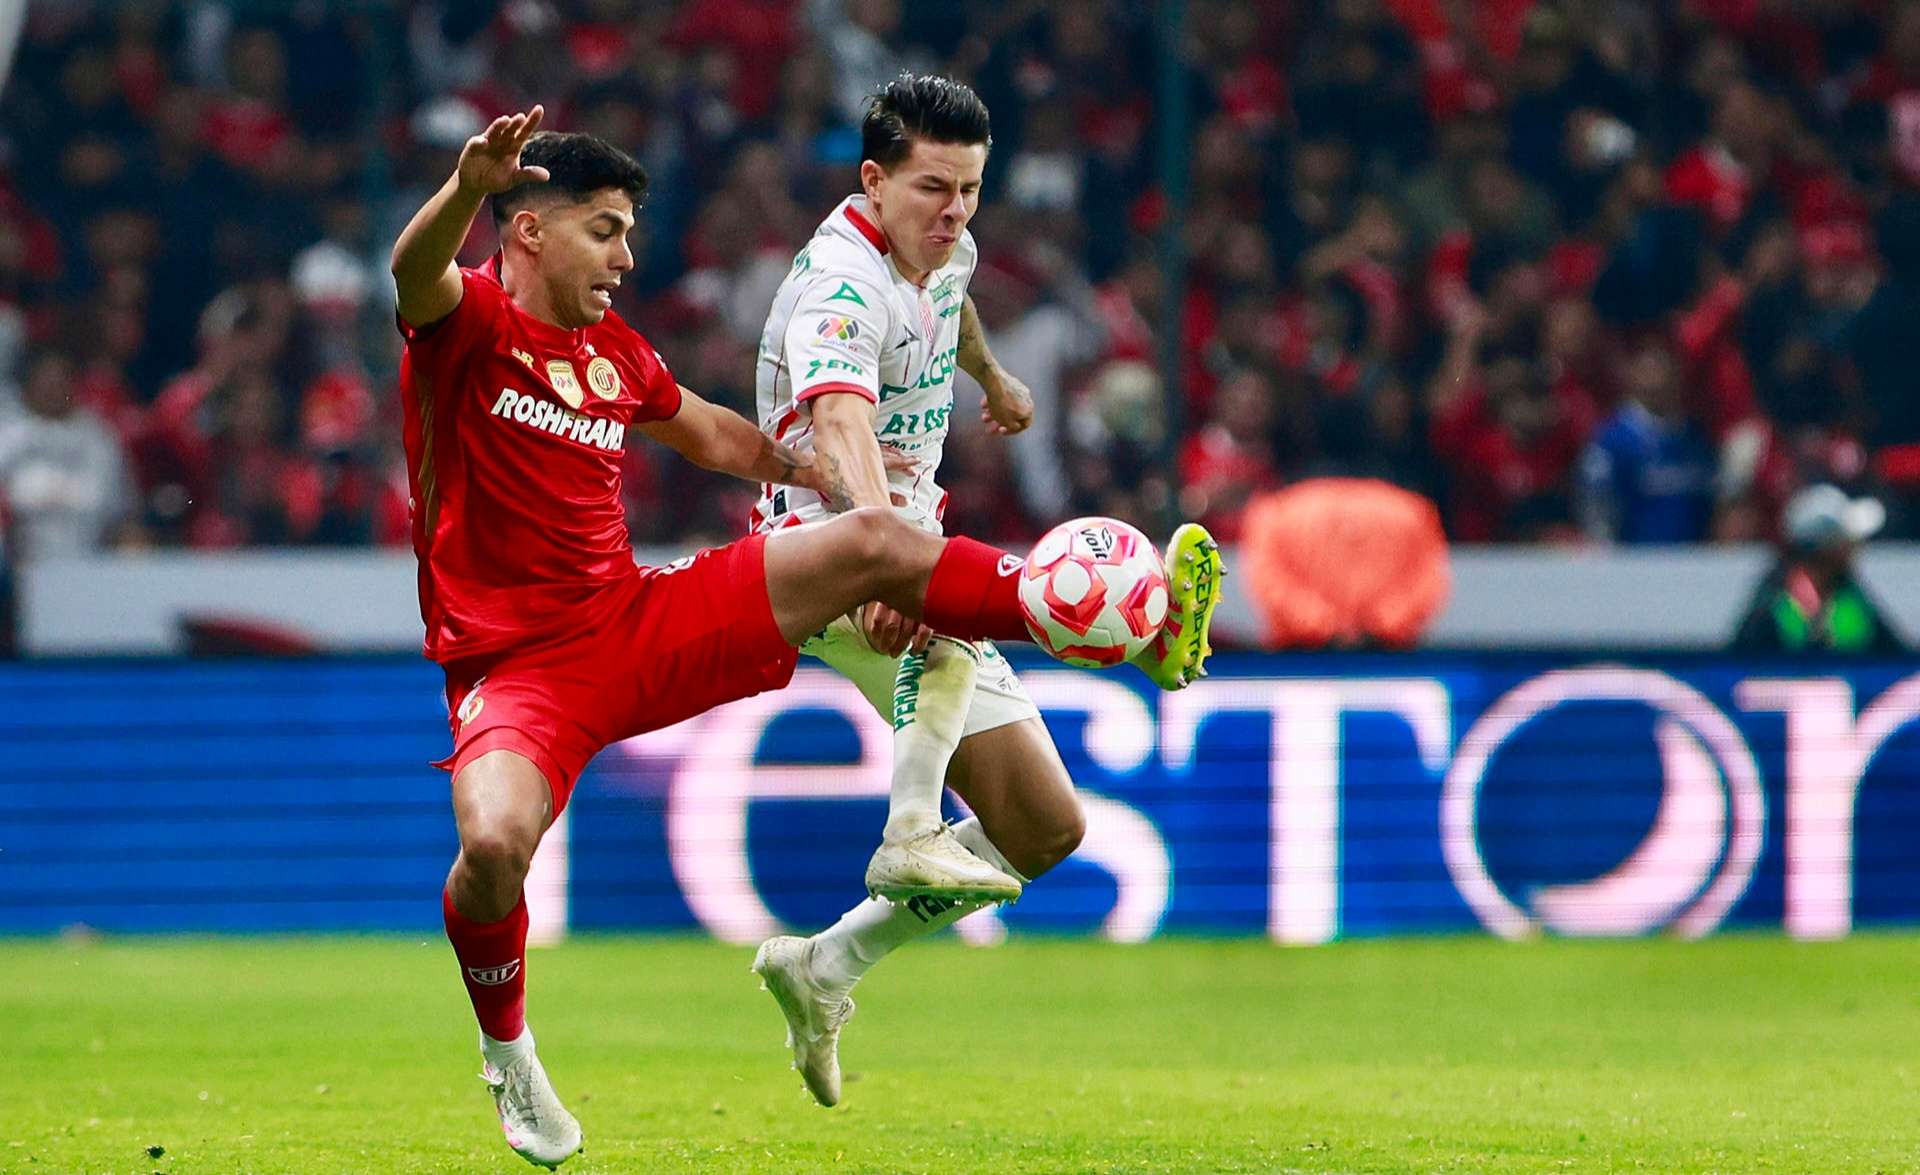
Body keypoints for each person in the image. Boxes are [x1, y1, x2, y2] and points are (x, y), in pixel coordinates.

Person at [389, 107, 1223, 1168]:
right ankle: (507, 1047)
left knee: (878, 537)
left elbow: (715, 434)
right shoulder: (464, 327)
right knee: (495, 846)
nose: (627, 255)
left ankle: (1095, 612)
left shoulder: (618, 355)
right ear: (528, 231)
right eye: (604, 229)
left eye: (631, 230)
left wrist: (824, 483)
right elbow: (413, 272)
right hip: (518, 668)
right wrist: (464, 186)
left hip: (637, 622)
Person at [740, 75, 1215, 1110]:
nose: (954, 211)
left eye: (969, 188)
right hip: (819, 547)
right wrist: (882, 549)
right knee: (971, 604)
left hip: (905, 537)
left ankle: (824, 965)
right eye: (931, 188)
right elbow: (838, 421)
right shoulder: (840, 283)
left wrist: (991, 380)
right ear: (873, 180)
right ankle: (920, 814)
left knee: (1044, 826)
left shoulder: (942, 243)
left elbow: (950, 303)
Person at [1730, 484, 1905, 653]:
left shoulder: (1851, 597)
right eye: (1845, 538)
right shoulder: (1772, 605)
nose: (1854, 546)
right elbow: (1744, 667)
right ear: (1823, 546)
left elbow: (1894, 657)